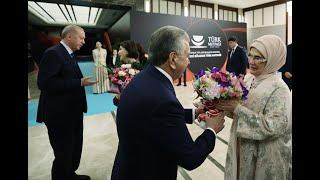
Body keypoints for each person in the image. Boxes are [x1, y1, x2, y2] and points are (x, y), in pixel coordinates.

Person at [111, 25, 226, 180]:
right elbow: (190, 157)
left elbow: (153, 116)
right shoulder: (162, 98)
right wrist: (212, 129)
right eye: (187, 56)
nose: (189, 61)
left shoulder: (144, 78)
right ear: (173, 59)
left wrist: (195, 113)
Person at [216, 35, 292, 179]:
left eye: (259, 58)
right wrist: (222, 105)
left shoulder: (279, 88)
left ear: (273, 58)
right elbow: (238, 109)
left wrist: (237, 109)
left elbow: (274, 126)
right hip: (242, 147)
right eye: (250, 55)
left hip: (264, 155)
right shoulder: (249, 79)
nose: (251, 61)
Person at [36, 25, 96, 180]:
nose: (83, 41)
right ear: (69, 36)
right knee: (63, 153)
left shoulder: (68, 54)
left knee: (74, 149)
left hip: (72, 112)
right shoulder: (53, 53)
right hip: (59, 115)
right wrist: (79, 83)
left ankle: (70, 174)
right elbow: (45, 83)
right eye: (81, 38)